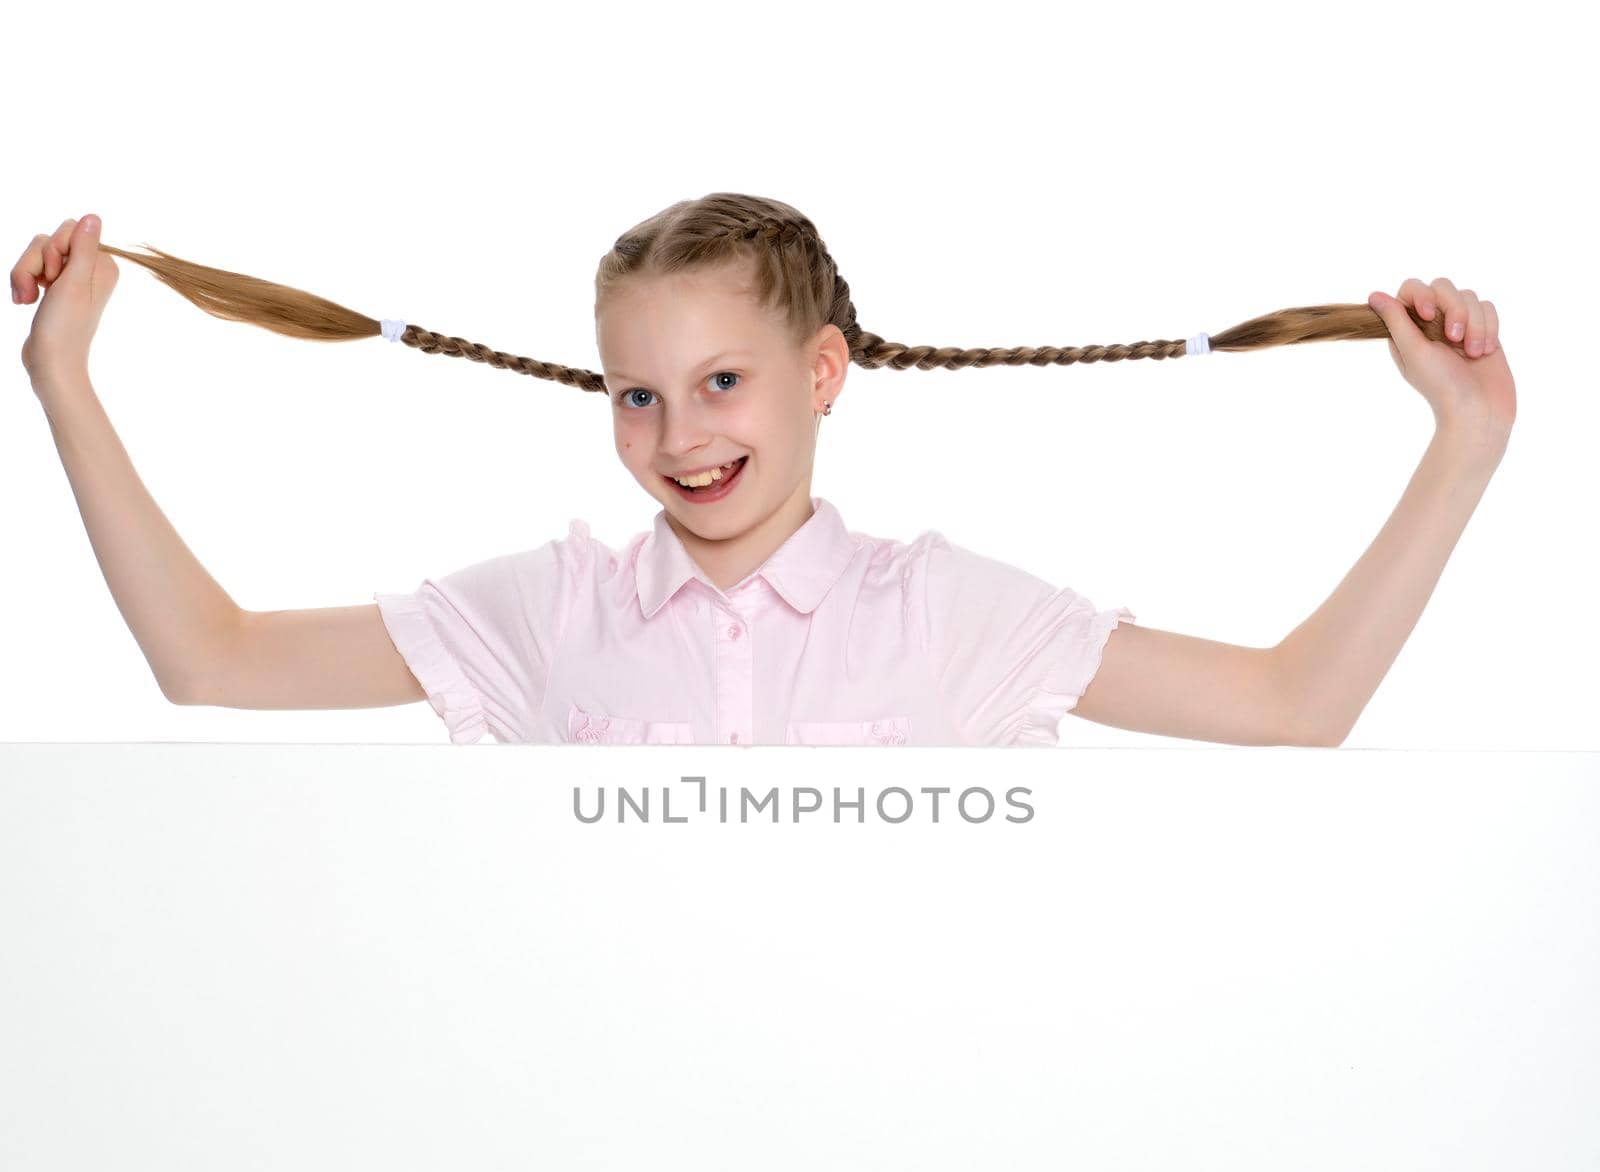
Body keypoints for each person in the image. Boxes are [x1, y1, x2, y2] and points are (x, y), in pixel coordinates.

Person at [13, 199, 1515, 748]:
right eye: (638, 395)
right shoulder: (549, 614)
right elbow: (207, 663)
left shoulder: (950, 616)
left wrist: (1465, 445)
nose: (680, 439)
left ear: (822, 371)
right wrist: (64, 383)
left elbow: (1291, 707)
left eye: (723, 383)